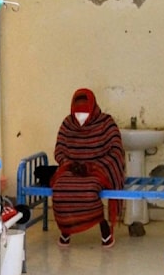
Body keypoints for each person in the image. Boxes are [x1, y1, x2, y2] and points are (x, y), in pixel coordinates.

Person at [51, 88, 125, 248]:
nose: (80, 118)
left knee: (88, 190)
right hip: (72, 169)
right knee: (60, 189)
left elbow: (116, 150)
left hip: (97, 169)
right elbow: (59, 150)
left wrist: (93, 165)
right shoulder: (67, 123)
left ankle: (104, 228)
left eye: (85, 113)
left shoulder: (106, 123)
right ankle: (66, 229)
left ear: (93, 109)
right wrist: (69, 164)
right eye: (77, 113)